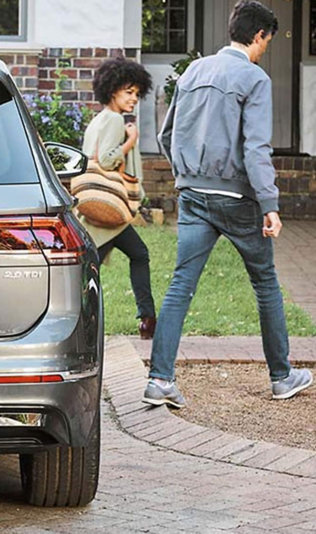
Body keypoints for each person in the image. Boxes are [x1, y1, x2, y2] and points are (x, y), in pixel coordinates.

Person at [143, 0, 313, 408]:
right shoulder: (254, 78)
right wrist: (270, 204)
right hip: (237, 199)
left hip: (193, 196)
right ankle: (281, 376)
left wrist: (187, 173)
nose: (264, 51)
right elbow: (256, 148)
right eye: (266, 43)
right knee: (266, 284)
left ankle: (159, 380)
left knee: (181, 285)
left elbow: (166, 136)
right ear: (258, 36)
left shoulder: (193, 71)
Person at [81, 58, 156, 339]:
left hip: (97, 205)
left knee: (102, 263)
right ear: (113, 91)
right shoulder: (113, 120)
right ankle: (145, 319)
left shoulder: (98, 120)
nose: (133, 99)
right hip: (109, 207)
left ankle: (145, 317)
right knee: (99, 265)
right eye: (128, 92)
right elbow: (106, 159)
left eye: (137, 94)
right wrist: (130, 141)